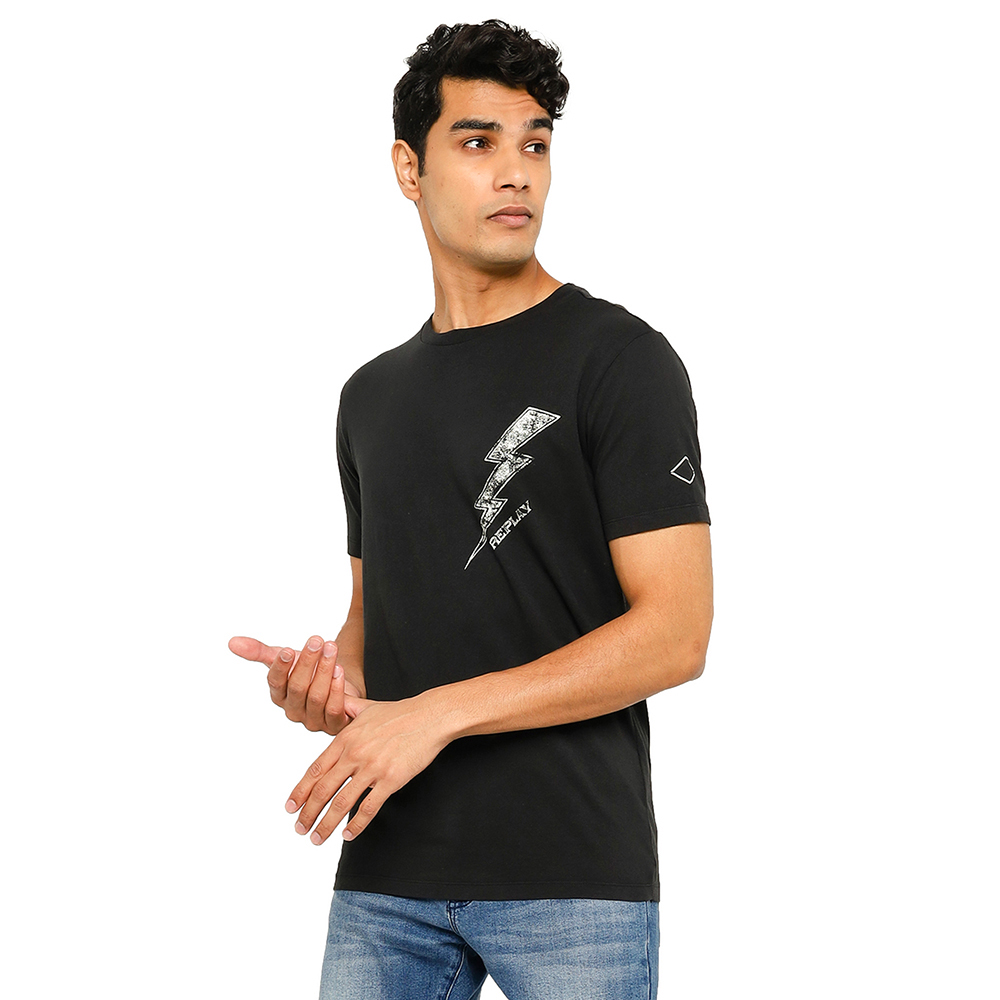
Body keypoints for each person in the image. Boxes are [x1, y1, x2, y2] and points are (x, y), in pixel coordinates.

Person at [230, 19, 713, 1000]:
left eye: (535, 142)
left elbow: (676, 633)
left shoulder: (620, 361)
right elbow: (374, 631)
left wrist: (437, 716)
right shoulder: (370, 396)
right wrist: (326, 687)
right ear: (408, 169)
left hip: (572, 878)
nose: (516, 172)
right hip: (388, 872)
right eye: (478, 141)